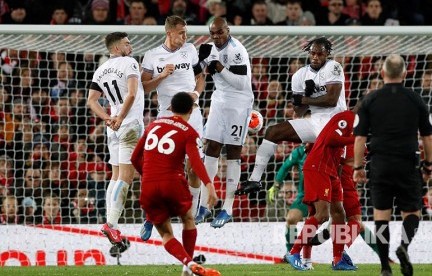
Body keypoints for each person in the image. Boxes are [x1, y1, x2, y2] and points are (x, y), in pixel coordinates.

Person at [353, 54, 432, 276]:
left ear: (382, 73)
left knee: (381, 215)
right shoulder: (416, 99)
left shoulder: (369, 100)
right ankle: (404, 247)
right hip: (407, 162)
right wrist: (428, 165)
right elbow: (428, 138)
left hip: (380, 164)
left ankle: (385, 268)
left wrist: (358, 168)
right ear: (405, 74)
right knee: (413, 212)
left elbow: (359, 139)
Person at [237, 37, 346, 195]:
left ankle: (340, 212)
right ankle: (255, 180)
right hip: (316, 123)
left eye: (320, 54)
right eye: (312, 53)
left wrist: (305, 98)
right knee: (272, 132)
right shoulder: (299, 75)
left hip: (336, 125)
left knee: (337, 176)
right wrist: (303, 100)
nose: (315, 57)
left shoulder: (333, 67)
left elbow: (331, 100)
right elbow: (299, 112)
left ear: (327, 54)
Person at [131, 92, 220, 276]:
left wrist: (147, 174)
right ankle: (188, 267)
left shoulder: (152, 126)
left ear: (170, 108)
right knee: (188, 219)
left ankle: (188, 264)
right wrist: (209, 185)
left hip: (148, 185)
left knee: (166, 235)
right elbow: (195, 162)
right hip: (173, 182)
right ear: (191, 110)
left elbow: (134, 158)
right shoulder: (188, 132)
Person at [139, 15, 206, 239]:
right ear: (169, 33)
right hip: (167, 116)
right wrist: (161, 76)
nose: (185, 37)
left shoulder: (190, 50)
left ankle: (194, 211)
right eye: (181, 33)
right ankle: (151, 217)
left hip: (192, 113)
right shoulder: (151, 56)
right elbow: (144, 88)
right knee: (162, 171)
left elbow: (201, 77)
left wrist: (195, 94)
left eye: (186, 33)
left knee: (195, 166)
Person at [193, 17, 254, 228]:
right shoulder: (208, 47)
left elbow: (240, 83)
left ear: (228, 30)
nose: (217, 37)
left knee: (233, 151)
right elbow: (198, 72)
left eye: (220, 32)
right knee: (211, 148)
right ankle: (204, 205)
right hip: (219, 100)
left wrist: (217, 66)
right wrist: (198, 63)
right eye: (213, 34)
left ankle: (227, 208)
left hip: (239, 102)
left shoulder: (238, 50)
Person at [87, 32, 144, 250]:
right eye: (127, 43)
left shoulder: (100, 69)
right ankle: (111, 223)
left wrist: (108, 117)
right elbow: (131, 94)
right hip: (129, 124)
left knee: (116, 174)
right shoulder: (129, 62)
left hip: (112, 128)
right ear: (118, 48)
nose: (131, 46)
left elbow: (91, 100)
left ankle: (111, 221)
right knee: (127, 176)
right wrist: (120, 117)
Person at [285, 109, 357, 271]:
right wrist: (356, 139)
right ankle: (294, 252)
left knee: (339, 214)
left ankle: (337, 259)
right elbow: (332, 138)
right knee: (321, 215)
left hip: (332, 171)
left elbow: (347, 155)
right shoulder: (348, 118)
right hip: (318, 167)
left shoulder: (359, 129)